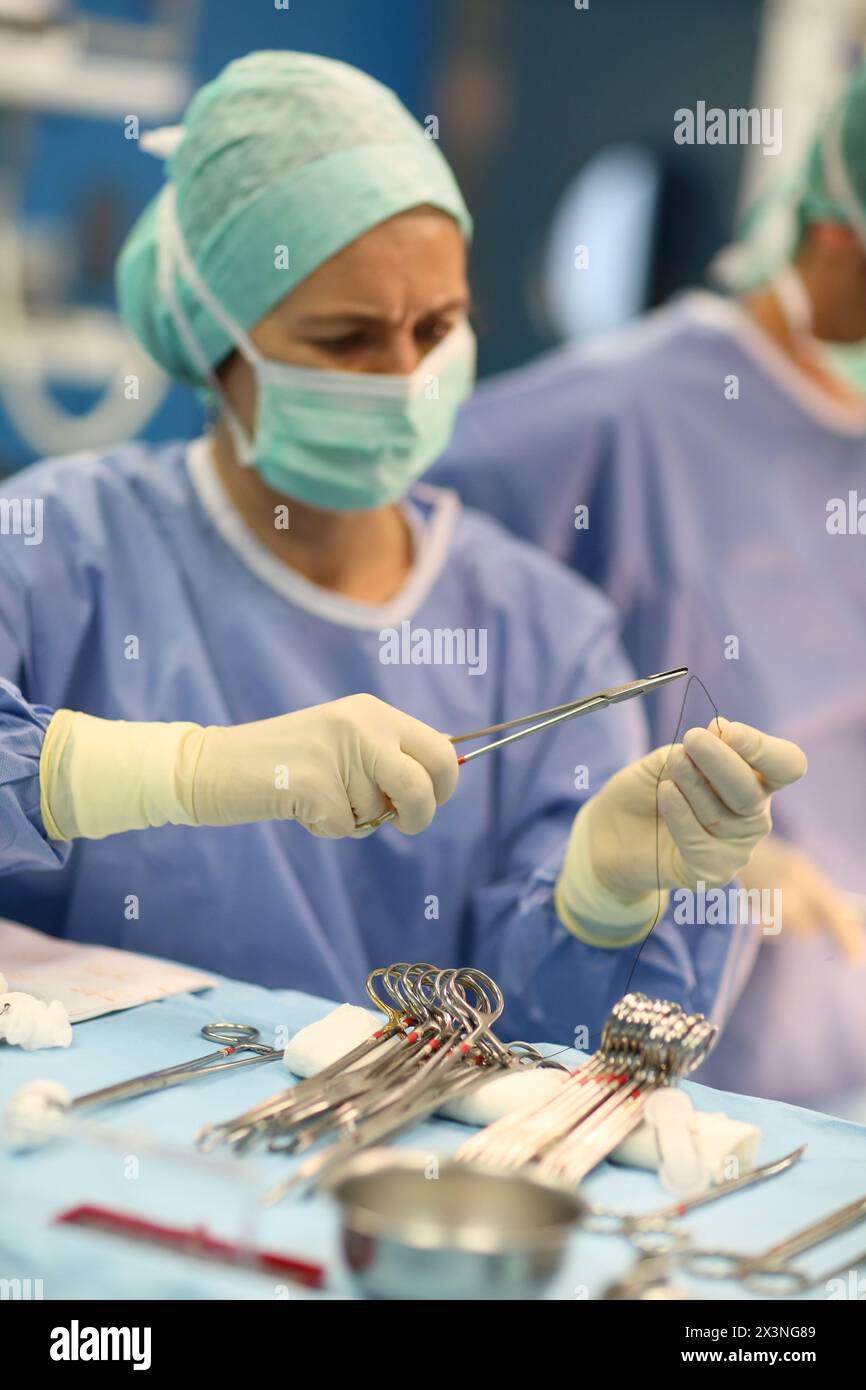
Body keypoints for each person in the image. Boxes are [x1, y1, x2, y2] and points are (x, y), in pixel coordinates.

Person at [0, 52, 804, 1046]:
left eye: (437, 325)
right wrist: (180, 771)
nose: (403, 373)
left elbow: (564, 1051)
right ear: (215, 335)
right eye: (346, 339)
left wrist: (599, 900)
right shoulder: (55, 549)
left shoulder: (540, 630)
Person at [432, 66, 866, 1100]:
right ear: (835, 238)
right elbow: (398, 588)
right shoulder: (623, 416)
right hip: (676, 1030)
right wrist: (628, 837)